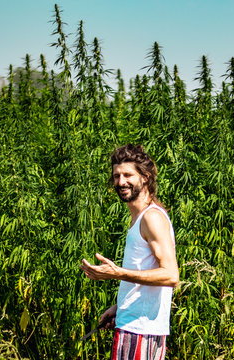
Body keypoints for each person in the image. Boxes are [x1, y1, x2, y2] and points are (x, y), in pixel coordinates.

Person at [80, 144, 179, 359]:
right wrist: (121, 306)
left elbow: (171, 275)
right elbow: (147, 273)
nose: (121, 182)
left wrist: (117, 273)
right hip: (135, 326)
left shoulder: (151, 218)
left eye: (127, 175)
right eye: (116, 176)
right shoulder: (140, 218)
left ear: (145, 177)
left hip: (139, 331)